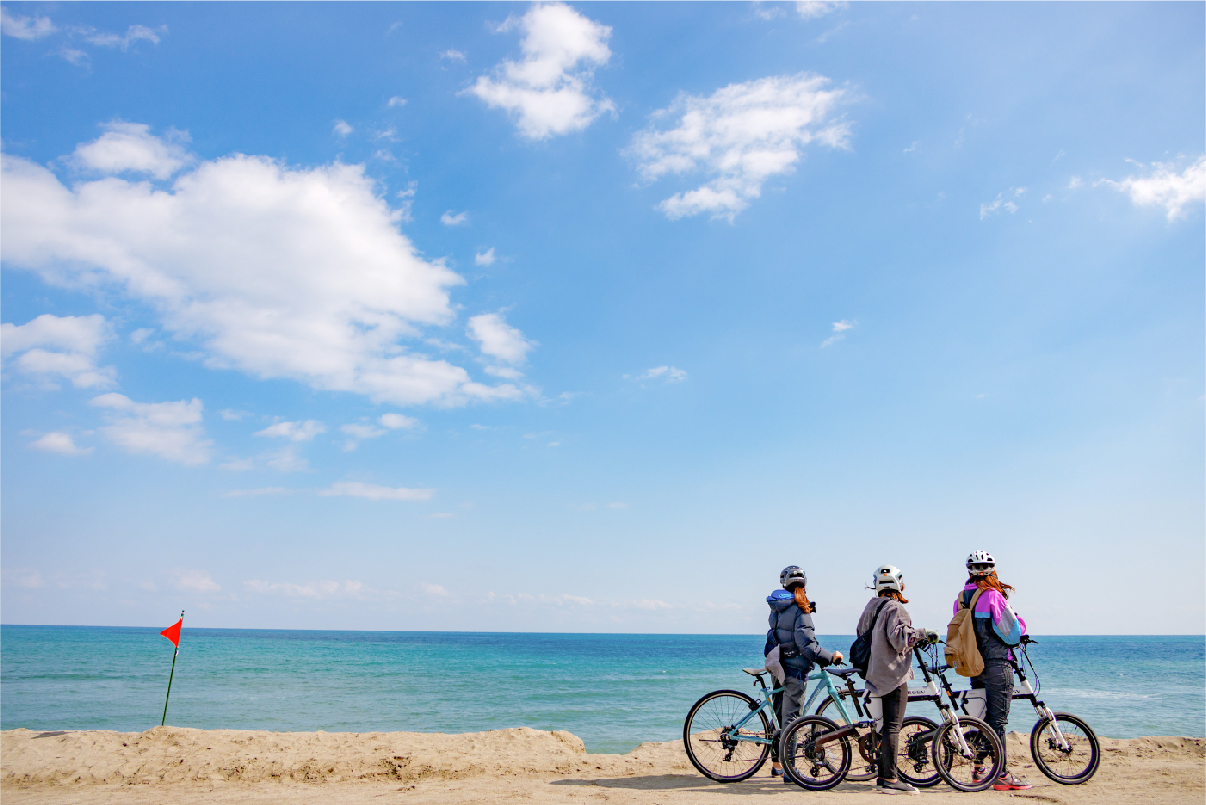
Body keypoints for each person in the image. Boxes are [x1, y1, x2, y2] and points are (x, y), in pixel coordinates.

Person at [956, 551, 1032, 791]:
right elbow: (1012, 633)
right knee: (998, 721)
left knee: (983, 719)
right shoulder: (992, 596)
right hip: (998, 663)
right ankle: (1001, 774)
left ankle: (979, 770)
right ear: (992, 571)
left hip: (974, 665)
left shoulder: (961, 598)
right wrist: (1020, 622)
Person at [857, 564, 934, 796]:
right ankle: (890, 779)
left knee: (883, 726)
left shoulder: (870, 607)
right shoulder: (895, 607)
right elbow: (900, 639)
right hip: (892, 674)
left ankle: (882, 777)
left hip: (873, 672)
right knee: (893, 727)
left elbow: (861, 634)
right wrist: (922, 633)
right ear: (898, 584)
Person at [765, 565, 842, 780]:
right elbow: (807, 645)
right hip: (794, 669)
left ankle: (777, 764)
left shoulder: (777, 607)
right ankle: (791, 772)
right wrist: (829, 656)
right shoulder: (800, 608)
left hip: (779, 664)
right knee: (792, 719)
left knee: (780, 715)